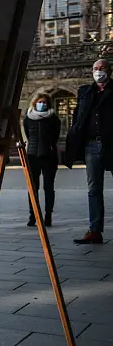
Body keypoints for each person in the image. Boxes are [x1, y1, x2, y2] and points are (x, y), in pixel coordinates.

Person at [65, 59, 113, 244]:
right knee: (94, 189)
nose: (98, 71)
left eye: (102, 68)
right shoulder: (85, 92)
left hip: (111, 144)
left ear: (109, 70)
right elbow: (78, 115)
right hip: (91, 145)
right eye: (95, 69)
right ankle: (95, 230)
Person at [24, 93, 60, 228]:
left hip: (49, 156)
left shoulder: (53, 119)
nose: (42, 104)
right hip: (32, 156)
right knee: (33, 187)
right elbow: (27, 135)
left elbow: (55, 136)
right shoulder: (28, 119)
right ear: (34, 103)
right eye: (39, 102)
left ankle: (48, 215)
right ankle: (33, 215)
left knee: (48, 187)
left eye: (44, 102)